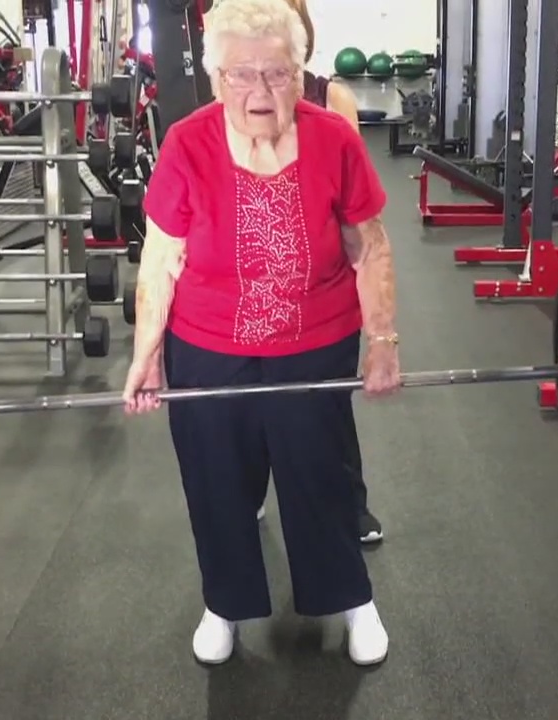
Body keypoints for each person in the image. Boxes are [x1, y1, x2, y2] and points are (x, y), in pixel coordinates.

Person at [121, 0, 399, 666]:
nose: (259, 91)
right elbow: (160, 260)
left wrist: (383, 341)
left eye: (276, 74)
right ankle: (225, 603)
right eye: (241, 75)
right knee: (217, 481)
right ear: (216, 77)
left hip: (316, 339)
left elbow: (371, 247)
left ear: (300, 73)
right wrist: (146, 355)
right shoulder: (188, 143)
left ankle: (355, 599)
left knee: (321, 477)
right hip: (208, 346)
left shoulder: (334, 138)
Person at [254, 0, 382, 546]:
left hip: (319, 285)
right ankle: (249, 493)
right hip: (254, 278)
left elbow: (351, 203)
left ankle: (349, 505)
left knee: (326, 401)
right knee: (249, 401)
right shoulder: (233, 97)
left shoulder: (332, 97)